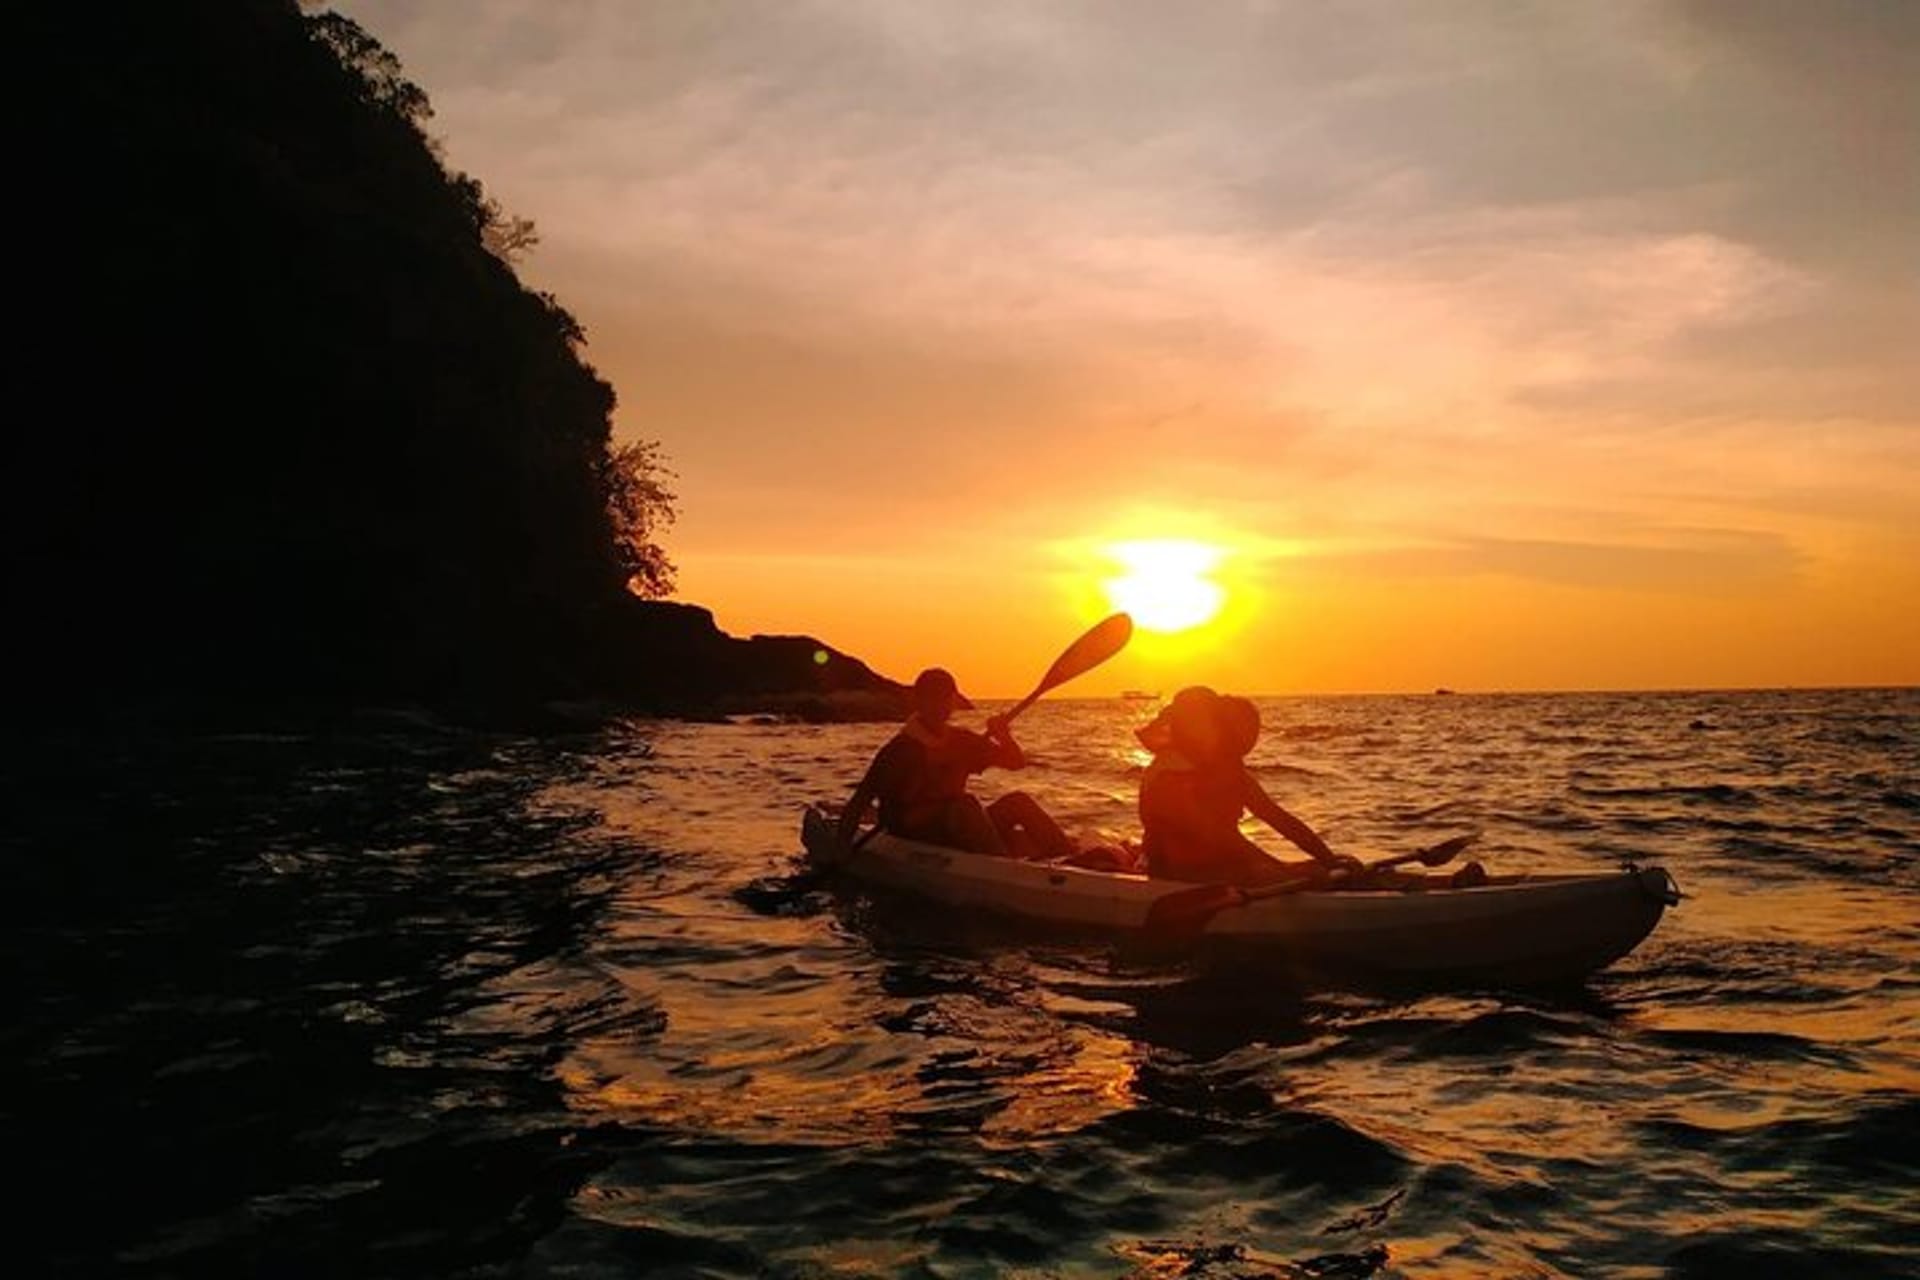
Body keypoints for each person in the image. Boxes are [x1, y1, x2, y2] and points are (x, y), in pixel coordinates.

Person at [836, 667, 1074, 859]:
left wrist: (1003, 735)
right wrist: (841, 847)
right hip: (916, 836)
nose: (939, 705)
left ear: (952, 701)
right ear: (919, 701)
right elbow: (860, 801)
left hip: (957, 827)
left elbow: (1015, 762)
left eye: (945, 698)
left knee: (1017, 802)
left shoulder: (961, 740)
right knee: (965, 805)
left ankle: (1069, 860)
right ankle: (1005, 869)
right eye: (932, 698)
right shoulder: (899, 751)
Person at [1135, 687, 1359, 885]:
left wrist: (1327, 859)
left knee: (1338, 865)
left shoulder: (1227, 768)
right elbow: (1220, 837)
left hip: (1225, 865)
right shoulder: (1168, 777)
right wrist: (1281, 870)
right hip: (1178, 873)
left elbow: (1276, 816)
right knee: (1295, 874)